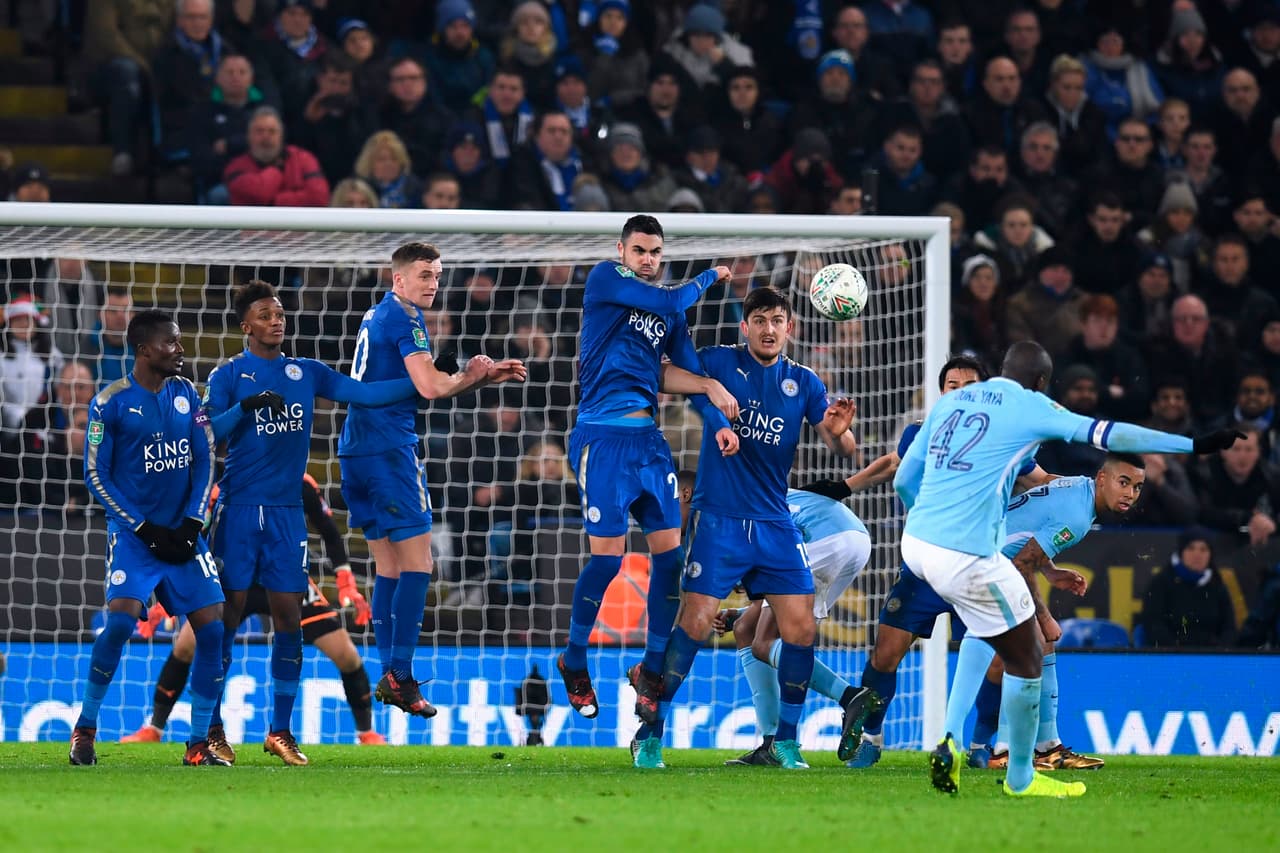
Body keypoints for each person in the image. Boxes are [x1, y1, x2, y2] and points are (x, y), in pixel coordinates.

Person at [892, 340, 1242, 797]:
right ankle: (1020, 776)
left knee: (984, 631)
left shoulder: (953, 401)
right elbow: (1114, 435)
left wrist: (931, 528)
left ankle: (952, 740)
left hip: (916, 541)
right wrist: (1193, 445)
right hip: (966, 551)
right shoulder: (1032, 406)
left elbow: (903, 479)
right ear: (1041, 383)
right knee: (1028, 654)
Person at [631, 286, 861, 771]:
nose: (769, 328)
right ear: (746, 326)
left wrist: (839, 433)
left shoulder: (804, 381)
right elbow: (662, 373)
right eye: (760, 319)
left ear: (790, 328)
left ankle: (786, 743)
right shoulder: (720, 362)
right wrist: (707, 388)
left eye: (778, 319)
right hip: (720, 520)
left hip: (777, 521)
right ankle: (649, 734)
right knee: (694, 623)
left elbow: (844, 448)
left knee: (799, 630)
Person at [200, 280, 420, 766]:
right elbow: (209, 435)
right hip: (238, 512)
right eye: (265, 314)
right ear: (246, 325)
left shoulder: (306, 372)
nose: (276, 320)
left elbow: (364, 393)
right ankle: (212, 731)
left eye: (279, 313)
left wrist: (424, 382)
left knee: (289, 623)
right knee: (226, 623)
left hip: (286, 519)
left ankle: (280, 731)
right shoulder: (228, 374)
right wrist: (246, 407)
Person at [556, 215, 736, 724]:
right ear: (621, 250)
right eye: (640, 251)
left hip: (648, 443)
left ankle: (651, 672)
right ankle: (573, 658)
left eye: (656, 252)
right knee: (609, 560)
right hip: (602, 438)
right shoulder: (606, 279)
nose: (649, 260)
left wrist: (716, 415)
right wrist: (709, 276)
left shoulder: (666, 315)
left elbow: (688, 372)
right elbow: (671, 299)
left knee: (671, 558)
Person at [338, 243, 526, 721]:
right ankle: (400, 673)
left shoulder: (376, 314)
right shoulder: (406, 319)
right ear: (397, 279)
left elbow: (425, 382)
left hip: (354, 449)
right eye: (423, 274)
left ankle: (390, 671)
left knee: (389, 568)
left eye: (438, 275)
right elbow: (431, 387)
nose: (432, 283)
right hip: (388, 451)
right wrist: (473, 373)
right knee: (419, 566)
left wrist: (479, 378)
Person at [121, 475, 386, 746]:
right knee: (186, 646)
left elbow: (327, 528)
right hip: (237, 579)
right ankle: (154, 728)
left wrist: (344, 578)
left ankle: (367, 733)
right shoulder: (224, 486)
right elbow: (196, 539)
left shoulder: (299, 482)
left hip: (284, 580)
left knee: (346, 654)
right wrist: (172, 597)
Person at [71, 310, 227, 767]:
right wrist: (141, 526)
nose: (180, 350)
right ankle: (85, 729)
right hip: (136, 536)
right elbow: (95, 475)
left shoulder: (186, 394)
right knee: (119, 624)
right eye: (171, 343)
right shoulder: (110, 402)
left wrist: (194, 522)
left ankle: (198, 743)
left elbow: (205, 460)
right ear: (143, 350)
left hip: (183, 535)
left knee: (213, 630)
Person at [950, 456, 1147, 773]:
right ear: (1102, 478)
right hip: (978, 563)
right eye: (1123, 482)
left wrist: (1051, 572)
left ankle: (1046, 747)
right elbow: (1021, 564)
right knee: (1025, 646)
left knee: (1037, 644)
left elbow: (1029, 536)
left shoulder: (1076, 486)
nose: (1130, 494)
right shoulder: (1078, 516)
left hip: (977, 553)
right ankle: (1002, 749)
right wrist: (1045, 617)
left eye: (1137, 487)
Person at [708, 472, 880, 767]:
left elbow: (774, 556)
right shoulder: (774, 494)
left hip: (822, 543)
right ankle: (769, 743)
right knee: (746, 628)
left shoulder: (742, 510)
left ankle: (848, 695)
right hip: (855, 541)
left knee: (765, 643)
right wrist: (740, 612)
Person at [1139, 527, 1237, 648]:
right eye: (1191, 548)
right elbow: (1153, 624)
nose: (1197, 554)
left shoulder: (1217, 585)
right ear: (1181, 552)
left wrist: (1220, 651)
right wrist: (1177, 650)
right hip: (1171, 657)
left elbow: (1229, 627)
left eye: (1203, 549)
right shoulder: (1161, 583)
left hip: (1211, 658)